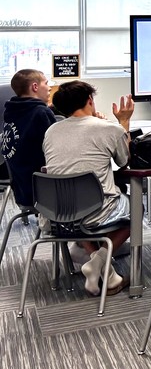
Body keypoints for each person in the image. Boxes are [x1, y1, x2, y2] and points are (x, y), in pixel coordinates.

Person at [43, 81, 136, 296]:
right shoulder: (108, 128)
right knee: (135, 209)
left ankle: (101, 267)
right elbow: (124, 161)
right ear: (90, 101)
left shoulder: (50, 131)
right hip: (96, 212)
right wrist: (123, 122)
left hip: (57, 213)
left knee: (76, 206)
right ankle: (99, 261)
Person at [1, 70, 57, 210]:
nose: (49, 88)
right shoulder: (41, 113)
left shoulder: (12, 111)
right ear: (35, 87)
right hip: (43, 194)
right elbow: (57, 150)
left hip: (21, 189)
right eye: (46, 83)